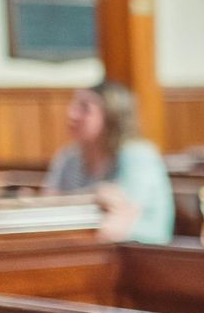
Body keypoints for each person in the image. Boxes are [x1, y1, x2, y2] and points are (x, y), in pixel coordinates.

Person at [43, 80, 174, 244]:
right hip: (89, 245)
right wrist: (94, 195)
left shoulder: (137, 154)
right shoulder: (69, 158)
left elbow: (123, 216)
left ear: (112, 116)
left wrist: (73, 201)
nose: (72, 114)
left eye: (84, 109)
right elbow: (48, 205)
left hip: (141, 250)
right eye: (74, 106)